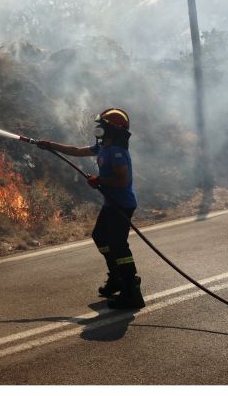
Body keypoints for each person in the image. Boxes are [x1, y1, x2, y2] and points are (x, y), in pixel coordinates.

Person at [37, 108, 145, 309]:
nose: (99, 130)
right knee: (100, 237)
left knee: (118, 245)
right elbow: (76, 151)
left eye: (102, 126)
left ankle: (131, 290)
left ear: (113, 129)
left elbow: (123, 180)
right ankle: (116, 277)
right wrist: (49, 145)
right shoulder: (103, 147)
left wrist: (99, 180)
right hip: (111, 203)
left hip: (121, 205)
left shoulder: (117, 152)